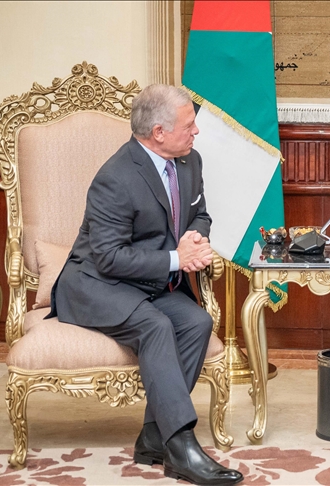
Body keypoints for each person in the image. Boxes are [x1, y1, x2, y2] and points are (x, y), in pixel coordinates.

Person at [48, 84, 243, 486]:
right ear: (158, 132)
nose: (196, 131)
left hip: (147, 283)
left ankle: (153, 438)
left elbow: (200, 213)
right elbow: (108, 257)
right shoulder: (115, 178)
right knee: (156, 326)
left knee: (197, 323)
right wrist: (177, 259)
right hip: (97, 284)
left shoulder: (189, 161)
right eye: (188, 125)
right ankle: (181, 447)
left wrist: (193, 238)